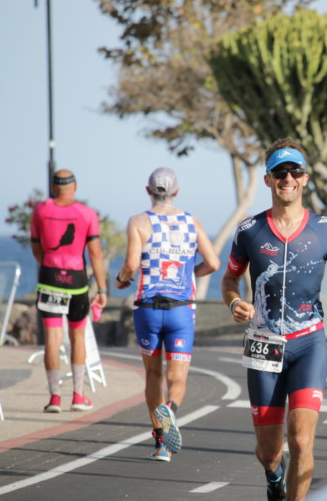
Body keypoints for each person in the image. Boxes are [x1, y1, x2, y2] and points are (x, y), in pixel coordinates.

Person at [221, 138, 327, 501]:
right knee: (269, 452)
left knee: (302, 439)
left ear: (305, 179)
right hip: (264, 344)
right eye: (280, 172)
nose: (288, 178)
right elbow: (230, 278)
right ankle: (274, 479)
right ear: (268, 180)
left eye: (295, 171)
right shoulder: (249, 230)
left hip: (309, 342)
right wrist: (234, 302)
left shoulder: (325, 229)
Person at [114, 167, 219, 462]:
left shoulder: (138, 222)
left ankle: (161, 443)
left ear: (148, 191)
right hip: (181, 310)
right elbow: (213, 262)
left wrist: (121, 279)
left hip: (147, 308)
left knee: (152, 373)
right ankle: (171, 409)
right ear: (177, 192)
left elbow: (131, 265)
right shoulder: (192, 221)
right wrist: (188, 275)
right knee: (178, 378)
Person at [31, 169, 108, 413]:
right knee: (77, 337)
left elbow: (37, 249)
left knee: (52, 340)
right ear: (75, 187)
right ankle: (78, 395)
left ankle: (54, 398)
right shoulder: (86, 214)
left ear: (54, 188)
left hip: (50, 277)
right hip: (76, 281)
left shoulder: (41, 210)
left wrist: (50, 265)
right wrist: (102, 288)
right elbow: (95, 253)